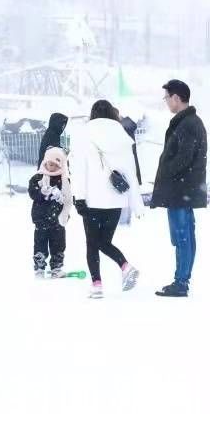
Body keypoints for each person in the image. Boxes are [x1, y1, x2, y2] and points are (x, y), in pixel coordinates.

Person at [70, 100, 144, 299]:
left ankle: (98, 283)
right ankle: (124, 267)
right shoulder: (123, 136)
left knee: (93, 243)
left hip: (92, 201)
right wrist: (136, 203)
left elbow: (78, 169)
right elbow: (131, 172)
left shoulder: (84, 134)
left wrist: (79, 197)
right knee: (104, 241)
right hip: (116, 201)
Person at [150, 79, 207, 297]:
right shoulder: (188, 121)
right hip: (184, 190)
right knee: (185, 235)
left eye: (167, 97)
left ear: (176, 97)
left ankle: (181, 282)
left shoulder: (188, 123)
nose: (166, 101)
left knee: (182, 236)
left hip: (181, 190)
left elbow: (184, 157)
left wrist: (165, 171)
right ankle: (182, 279)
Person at [29, 147, 73, 278]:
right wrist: (42, 193)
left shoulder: (64, 179)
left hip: (57, 220)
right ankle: (39, 268)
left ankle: (56, 267)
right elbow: (32, 193)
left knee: (58, 245)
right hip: (41, 219)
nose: (51, 167)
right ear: (45, 162)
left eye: (55, 164)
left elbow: (68, 198)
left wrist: (60, 197)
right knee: (40, 244)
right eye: (49, 163)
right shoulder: (38, 177)